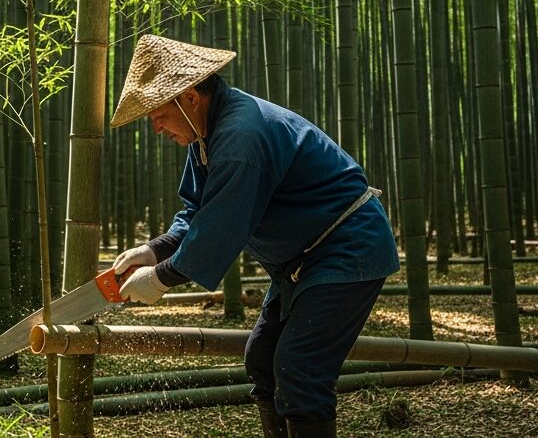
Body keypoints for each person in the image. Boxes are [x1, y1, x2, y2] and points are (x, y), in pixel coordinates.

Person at [107, 34, 399, 438]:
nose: (155, 127)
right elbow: (197, 211)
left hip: (346, 249)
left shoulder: (241, 136)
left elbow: (223, 225)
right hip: (300, 262)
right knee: (262, 360)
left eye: (157, 114)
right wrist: (152, 250)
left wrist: (162, 278)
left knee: (299, 369)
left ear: (190, 97)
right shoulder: (206, 134)